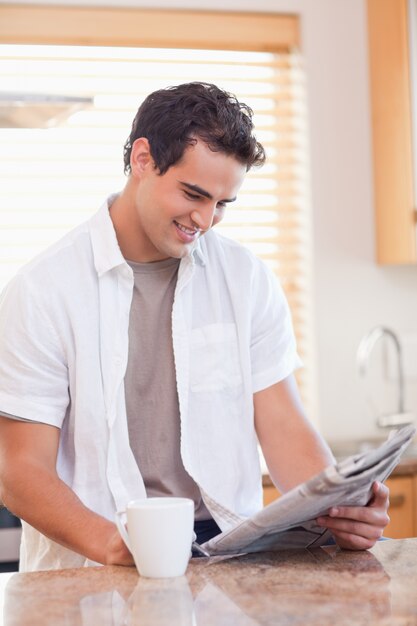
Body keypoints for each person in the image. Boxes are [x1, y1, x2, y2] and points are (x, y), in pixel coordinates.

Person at [0, 82, 389, 572]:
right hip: (94, 554)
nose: (205, 220)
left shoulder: (246, 279)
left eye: (224, 203)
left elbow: (284, 428)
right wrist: (112, 546)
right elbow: (20, 471)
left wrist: (341, 511)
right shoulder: (42, 291)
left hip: (224, 554)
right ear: (142, 159)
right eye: (193, 194)